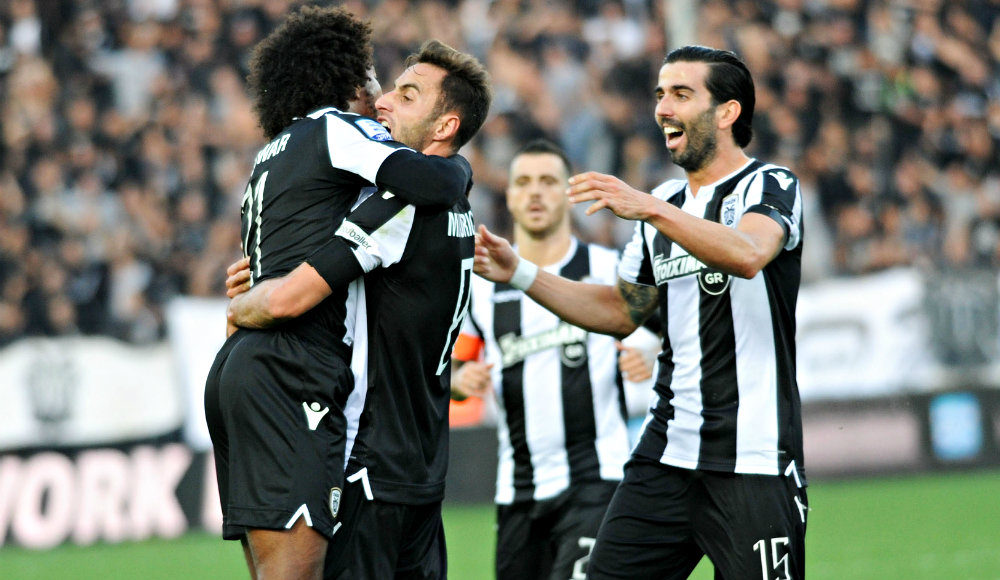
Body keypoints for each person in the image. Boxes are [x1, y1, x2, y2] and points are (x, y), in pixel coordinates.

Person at [473, 45, 807, 579]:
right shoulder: (664, 205)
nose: (663, 108)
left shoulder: (768, 184)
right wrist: (520, 273)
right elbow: (620, 310)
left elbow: (748, 254)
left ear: (727, 112)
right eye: (660, 94)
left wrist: (650, 208)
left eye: (681, 94)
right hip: (666, 455)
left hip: (753, 458)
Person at [203, 10, 477, 580]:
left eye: (402, 93)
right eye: (376, 79)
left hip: (245, 364)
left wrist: (245, 307)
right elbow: (429, 179)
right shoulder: (339, 131)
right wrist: (459, 170)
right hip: (293, 369)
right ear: (346, 79)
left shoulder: (275, 154)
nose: (380, 98)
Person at [450, 139, 653, 580]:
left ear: (567, 193)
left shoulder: (608, 268)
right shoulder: (481, 286)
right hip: (517, 490)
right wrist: (459, 381)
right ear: (509, 196)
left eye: (547, 181)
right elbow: (446, 366)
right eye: (523, 182)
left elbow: (668, 332)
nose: (535, 192)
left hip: (597, 480)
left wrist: (648, 357)